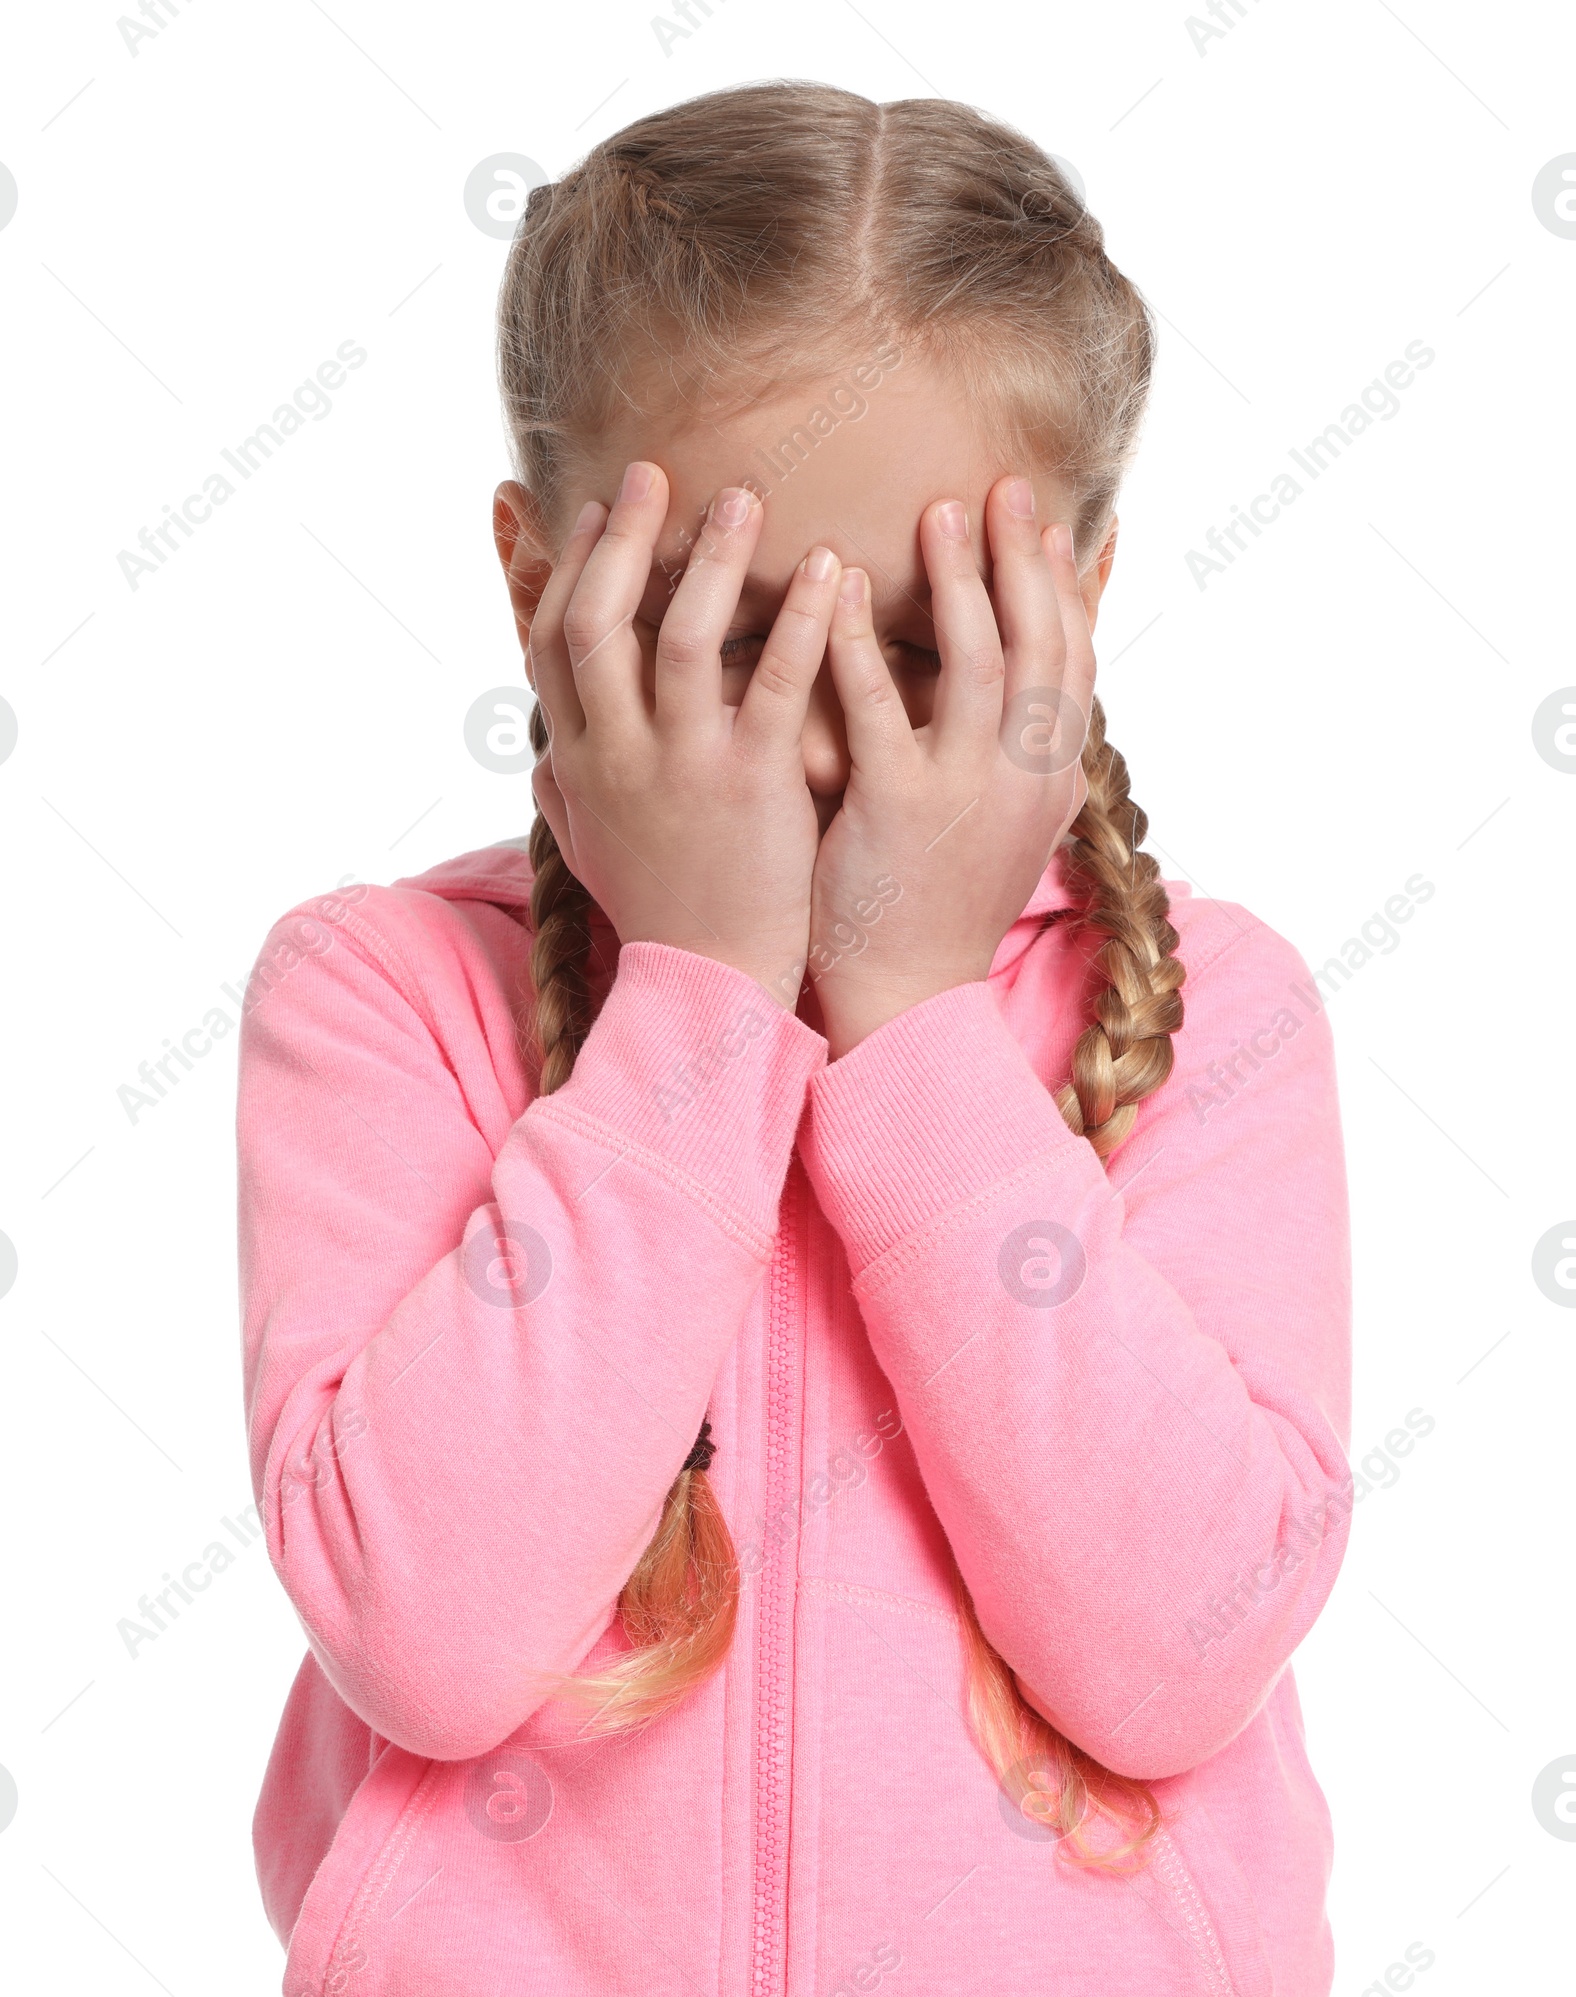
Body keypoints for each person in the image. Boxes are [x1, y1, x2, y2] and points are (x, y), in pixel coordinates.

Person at [238, 80, 1353, 1997]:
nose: (828, 735)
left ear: (1075, 602)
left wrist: (915, 1026)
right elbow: (426, 1635)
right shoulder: (382, 997)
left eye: (922, 645)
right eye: (730, 636)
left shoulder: (1210, 1021)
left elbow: (1180, 1655)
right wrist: (701, 1007)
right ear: (539, 585)